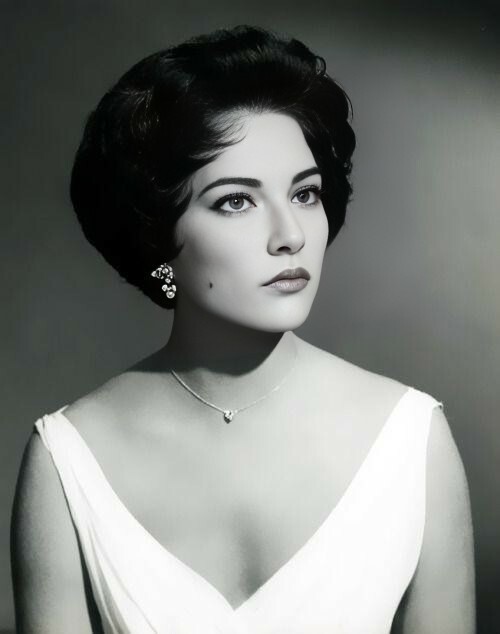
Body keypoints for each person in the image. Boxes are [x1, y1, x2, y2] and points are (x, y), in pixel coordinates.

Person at [10, 25, 475, 634]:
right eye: (236, 201)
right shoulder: (67, 459)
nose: (290, 235)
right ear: (156, 234)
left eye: (305, 193)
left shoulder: (412, 440)